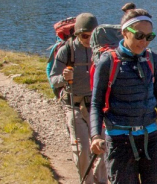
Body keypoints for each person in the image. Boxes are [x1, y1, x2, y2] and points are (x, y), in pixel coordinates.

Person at [89, 7, 157, 183]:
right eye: (139, 35)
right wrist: (95, 136)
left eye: (149, 37)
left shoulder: (153, 59)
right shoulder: (108, 61)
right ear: (124, 32)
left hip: (151, 140)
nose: (144, 41)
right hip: (119, 141)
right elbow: (96, 104)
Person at [49, 12, 107, 184]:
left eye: (93, 35)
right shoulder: (67, 51)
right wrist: (63, 78)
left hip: (97, 106)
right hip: (74, 106)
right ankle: (87, 181)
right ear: (77, 34)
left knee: (104, 145)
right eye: (84, 36)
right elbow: (53, 79)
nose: (89, 39)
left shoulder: (101, 50)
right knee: (82, 150)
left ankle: (101, 179)